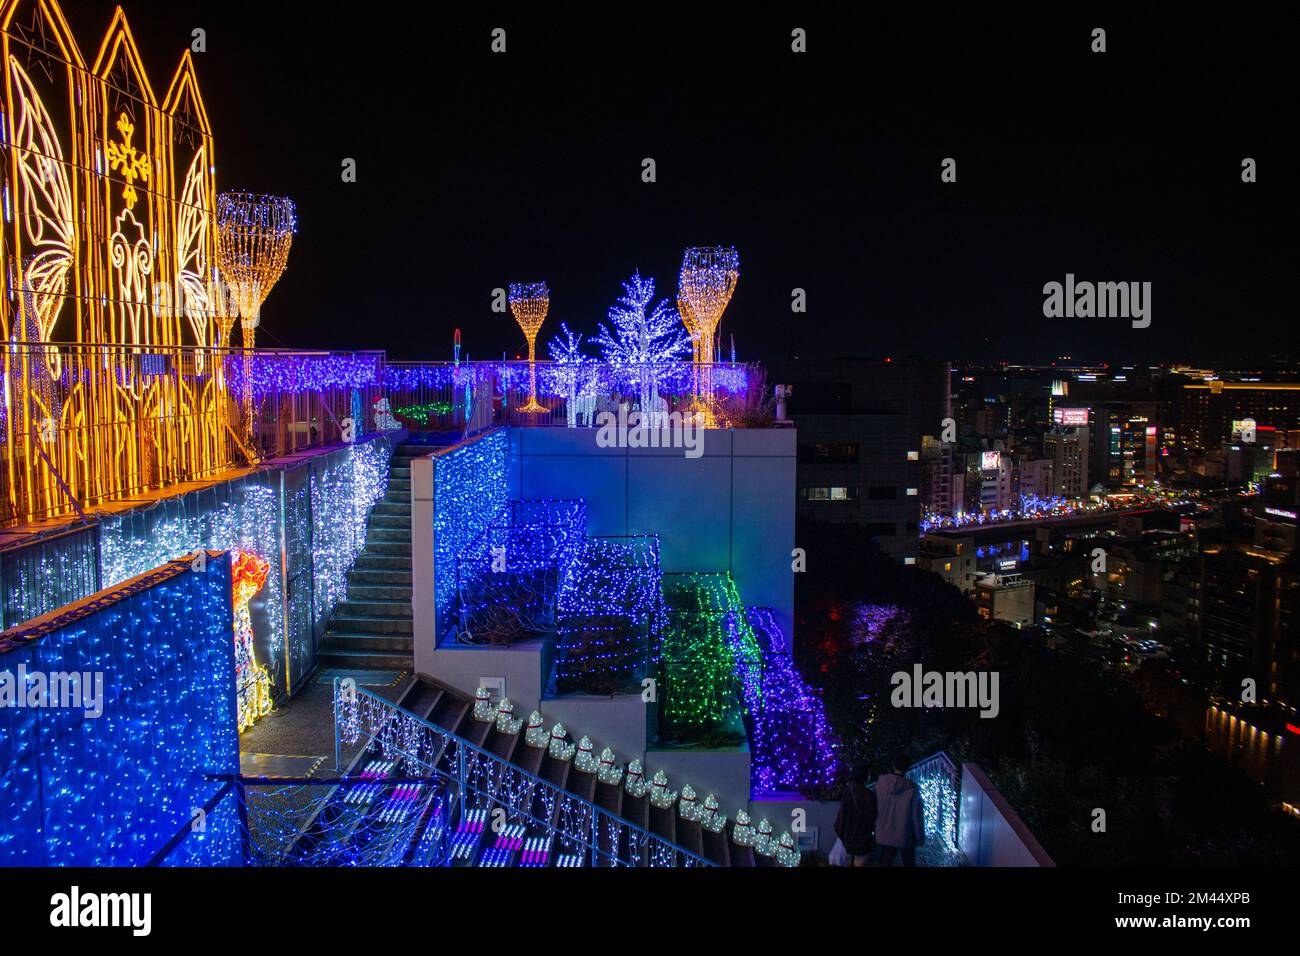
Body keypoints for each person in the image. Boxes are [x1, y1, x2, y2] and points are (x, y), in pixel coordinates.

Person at [873, 753, 925, 866]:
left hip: (885, 832)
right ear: (907, 768)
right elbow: (917, 815)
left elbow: (874, 808)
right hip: (905, 834)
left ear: (893, 766)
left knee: (885, 860)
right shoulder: (912, 788)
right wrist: (920, 837)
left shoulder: (880, 785)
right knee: (909, 861)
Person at [833, 763, 877, 866]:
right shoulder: (868, 794)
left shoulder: (847, 791)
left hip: (847, 835)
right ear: (865, 775)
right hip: (861, 837)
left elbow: (842, 813)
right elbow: (871, 818)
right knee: (860, 862)